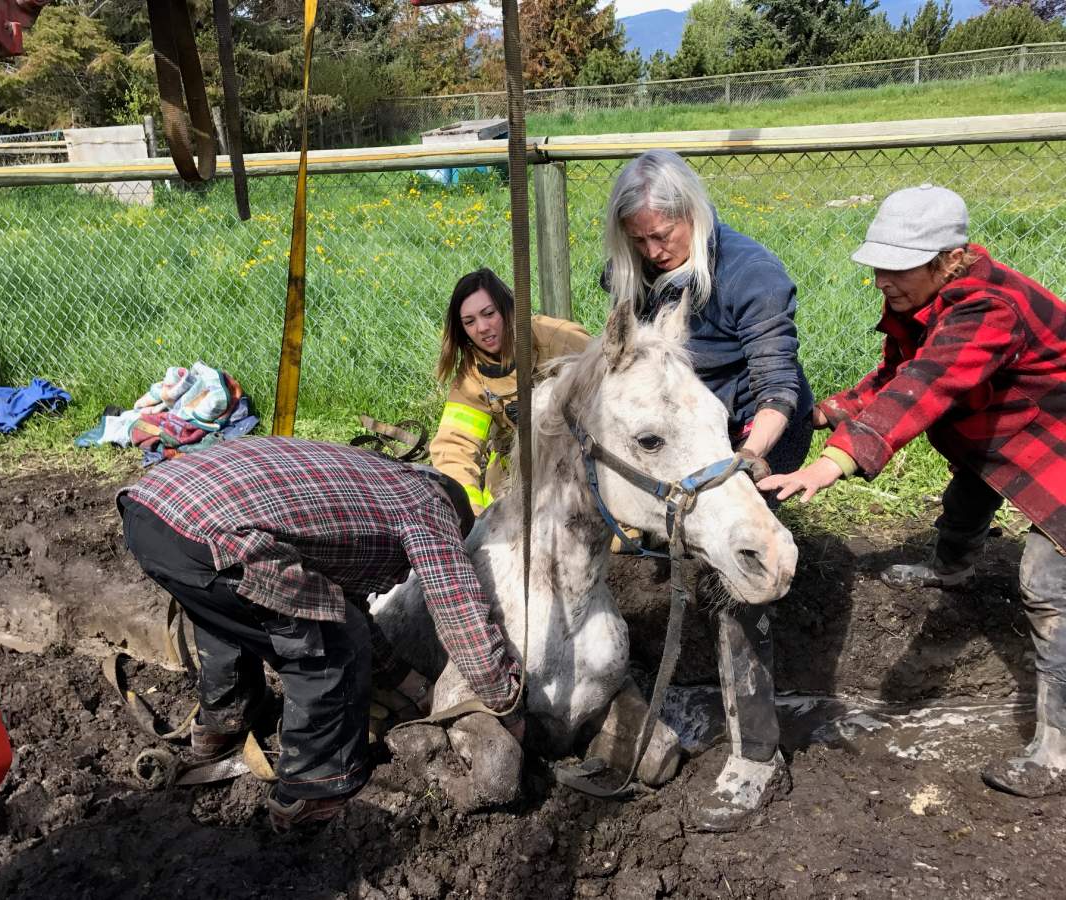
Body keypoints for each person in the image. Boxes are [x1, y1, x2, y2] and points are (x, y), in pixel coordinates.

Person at [760, 184, 1066, 798]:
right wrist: (829, 412)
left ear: (948, 260)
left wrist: (833, 462)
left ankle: (1057, 751)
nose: (882, 281)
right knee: (970, 489)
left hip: (1053, 442)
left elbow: (925, 385)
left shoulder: (989, 309)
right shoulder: (926, 300)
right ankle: (952, 567)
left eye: (898, 268)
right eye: (879, 266)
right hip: (1007, 433)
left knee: (1047, 582)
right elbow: (897, 375)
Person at [118, 436, 525, 832]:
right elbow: (458, 610)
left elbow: (343, 597)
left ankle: (223, 722)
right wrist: (503, 701)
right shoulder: (429, 506)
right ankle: (313, 789)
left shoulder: (371, 479)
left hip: (151, 509)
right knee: (334, 642)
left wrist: (410, 685)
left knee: (230, 612)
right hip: (211, 537)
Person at [603, 149, 815, 831]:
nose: (652, 251)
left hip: (754, 429)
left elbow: (779, 387)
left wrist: (745, 461)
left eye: (662, 235)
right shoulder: (637, 269)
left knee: (739, 573)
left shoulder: (752, 276)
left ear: (693, 213)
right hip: (690, 426)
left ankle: (756, 756)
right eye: (638, 239)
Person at [430, 268, 591, 514]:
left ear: (508, 309)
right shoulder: (471, 378)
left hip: (582, 465)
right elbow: (453, 449)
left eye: (489, 314)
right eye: (469, 322)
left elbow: (613, 393)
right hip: (515, 479)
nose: (482, 328)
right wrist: (469, 516)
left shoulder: (558, 339)